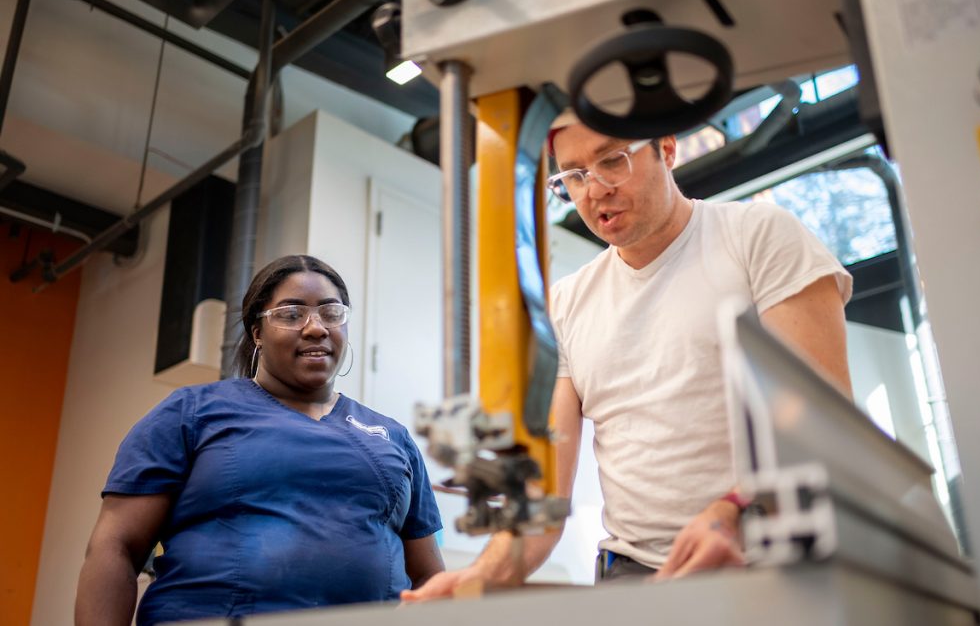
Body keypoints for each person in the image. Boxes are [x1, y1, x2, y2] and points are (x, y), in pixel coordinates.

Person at [402, 116, 851, 598]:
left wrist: (738, 511)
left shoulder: (759, 237)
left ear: (668, 147)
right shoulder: (568, 304)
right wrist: (477, 580)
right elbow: (543, 498)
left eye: (612, 160)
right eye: (573, 175)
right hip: (635, 576)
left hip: (774, 560)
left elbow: (824, 425)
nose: (594, 190)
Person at [76, 255, 444, 625]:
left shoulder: (392, 436)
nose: (316, 328)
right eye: (291, 314)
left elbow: (430, 577)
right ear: (257, 332)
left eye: (331, 313)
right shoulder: (190, 413)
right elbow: (116, 546)